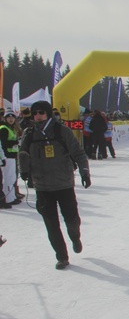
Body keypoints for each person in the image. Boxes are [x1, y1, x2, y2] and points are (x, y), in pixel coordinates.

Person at [17, 101, 91, 269]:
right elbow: (23, 153)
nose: (37, 116)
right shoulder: (29, 133)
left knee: (71, 219)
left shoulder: (61, 131)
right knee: (51, 225)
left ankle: (75, 236)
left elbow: (78, 153)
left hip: (63, 184)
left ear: (49, 113)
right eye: (34, 113)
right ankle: (62, 257)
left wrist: (84, 172)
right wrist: (24, 171)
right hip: (42, 186)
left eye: (41, 112)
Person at [0, 111, 21, 206]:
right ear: (5, 118)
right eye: (9, 117)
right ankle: (8, 198)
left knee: (12, 177)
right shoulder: (4, 128)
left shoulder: (11, 128)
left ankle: (12, 197)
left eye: (12, 117)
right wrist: (15, 142)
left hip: (12, 155)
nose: (11, 119)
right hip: (7, 156)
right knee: (8, 178)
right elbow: (3, 144)